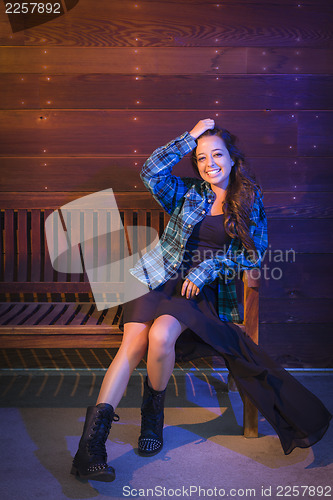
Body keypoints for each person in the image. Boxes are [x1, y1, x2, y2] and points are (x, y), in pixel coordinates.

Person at [70, 119, 332, 482]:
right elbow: (151, 171)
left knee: (160, 338)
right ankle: (90, 448)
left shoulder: (248, 200)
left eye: (217, 154)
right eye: (201, 157)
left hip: (197, 289)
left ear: (232, 158)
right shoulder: (186, 192)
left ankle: (152, 418)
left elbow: (251, 256)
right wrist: (189, 136)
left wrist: (207, 269)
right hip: (156, 275)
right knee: (132, 343)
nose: (210, 163)